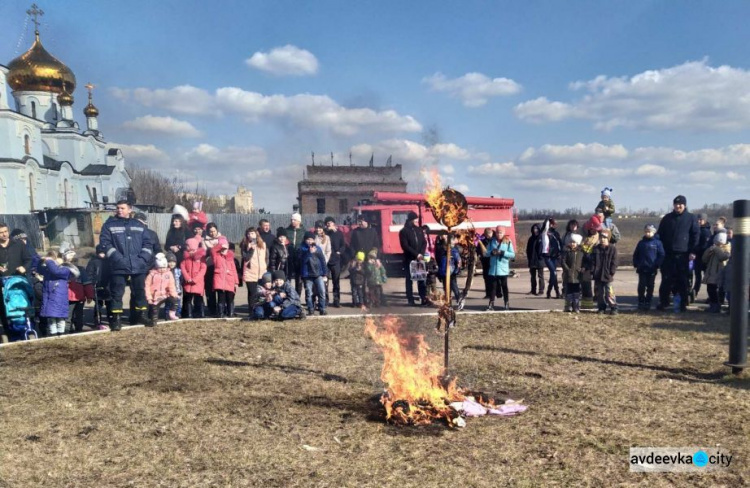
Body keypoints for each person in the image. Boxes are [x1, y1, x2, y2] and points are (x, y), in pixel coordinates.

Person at [99, 200, 155, 330]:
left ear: (130, 210)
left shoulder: (138, 225)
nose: (119, 210)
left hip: (138, 265)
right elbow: (105, 244)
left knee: (140, 292)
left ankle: (142, 315)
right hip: (118, 265)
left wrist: (143, 258)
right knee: (117, 293)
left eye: (122, 208)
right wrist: (117, 258)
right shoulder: (109, 225)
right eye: (118, 208)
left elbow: (148, 243)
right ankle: (116, 319)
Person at [656, 195, 700, 312]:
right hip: (668, 254)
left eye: (680, 204)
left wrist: (693, 251)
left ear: (684, 205)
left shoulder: (691, 218)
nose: (678, 206)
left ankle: (683, 303)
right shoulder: (667, 218)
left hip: (683, 254)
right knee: (666, 280)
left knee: (682, 280)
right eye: (676, 204)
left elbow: (695, 235)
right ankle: (664, 302)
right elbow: (660, 234)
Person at [0, 223, 32, 337]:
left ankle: (26, 329)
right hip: (2, 282)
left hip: (18, 281)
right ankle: (8, 331)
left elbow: (29, 259)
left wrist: (24, 268)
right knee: (3, 308)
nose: (4, 234)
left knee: (22, 305)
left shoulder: (18, 244)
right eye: (1, 232)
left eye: (5, 231)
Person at [39, 250, 78, 336]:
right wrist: (40, 261)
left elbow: (56, 271)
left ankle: (61, 334)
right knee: (51, 319)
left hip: (58, 297)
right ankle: (53, 335)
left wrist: (49, 261)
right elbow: (40, 270)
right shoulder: (49, 268)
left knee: (60, 318)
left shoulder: (65, 269)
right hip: (49, 297)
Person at [632, 224, 665, 311]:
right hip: (642, 268)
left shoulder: (657, 243)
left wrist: (657, 264)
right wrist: (636, 263)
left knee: (650, 285)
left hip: (652, 268)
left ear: (653, 232)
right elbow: (636, 254)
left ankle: (648, 300)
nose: (648, 233)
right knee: (641, 285)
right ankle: (641, 300)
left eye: (649, 232)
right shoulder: (641, 243)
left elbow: (661, 255)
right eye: (646, 232)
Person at [399, 211, 427, 306]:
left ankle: (423, 298)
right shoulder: (404, 231)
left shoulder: (419, 230)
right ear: (410, 220)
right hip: (409, 259)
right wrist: (416, 254)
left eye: (417, 220)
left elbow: (424, 242)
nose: (416, 221)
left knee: (421, 279)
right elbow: (405, 246)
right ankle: (410, 299)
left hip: (419, 259)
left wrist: (421, 254)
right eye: (415, 220)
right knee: (409, 280)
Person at [64, 246, 94, 333]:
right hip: (71, 297)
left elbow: (87, 283)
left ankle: (75, 330)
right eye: (72, 260)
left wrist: (89, 295)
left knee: (75, 315)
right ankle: (71, 330)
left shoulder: (80, 270)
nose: (74, 262)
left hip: (76, 297)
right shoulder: (65, 269)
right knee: (71, 316)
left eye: (75, 260)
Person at [485, 226, 515, 311]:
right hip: (494, 269)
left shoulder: (508, 241)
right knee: (493, 287)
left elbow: (512, 254)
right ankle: (491, 304)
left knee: (504, 286)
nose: (499, 234)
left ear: (503, 233)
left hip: (503, 268)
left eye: (501, 233)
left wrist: (502, 252)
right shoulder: (492, 241)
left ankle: (506, 303)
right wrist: (491, 252)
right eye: (498, 232)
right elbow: (486, 253)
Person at [240, 227, 268, 319]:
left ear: (256, 234)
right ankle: (251, 311)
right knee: (252, 293)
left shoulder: (263, 244)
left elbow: (266, 257)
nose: (250, 235)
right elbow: (246, 258)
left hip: (261, 272)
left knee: (261, 293)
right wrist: (251, 249)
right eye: (248, 234)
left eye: (252, 233)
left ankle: (261, 311)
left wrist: (265, 266)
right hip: (250, 272)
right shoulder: (244, 244)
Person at [145, 252, 179, 325]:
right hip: (155, 297)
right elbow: (147, 286)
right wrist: (149, 298)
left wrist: (174, 294)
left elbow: (171, 285)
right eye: (160, 267)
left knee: (175, 301)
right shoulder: (152, 274)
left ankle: (172, 313)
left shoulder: (168, 274)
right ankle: (153, 320)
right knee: (154, 311)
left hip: (165, 294)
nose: (162, 269)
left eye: (164, 267)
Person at [300, 231, 328, 316]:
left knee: (322, 291)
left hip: (318, 274)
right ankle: (310, 309)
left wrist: (324, 272)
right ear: (305, 240)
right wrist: (309, 253)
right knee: (309, 293)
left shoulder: (318, 249)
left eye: (311, 239)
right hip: (307, 275)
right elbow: (301, 261)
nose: (309, 241)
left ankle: (322, 308)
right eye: (308, 239)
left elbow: (322, 260)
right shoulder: (302, 249)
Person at [702, 233, 731, 313]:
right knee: (710, 290)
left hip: (718, 273)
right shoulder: (713, 248)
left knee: (715, 291)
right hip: (710, 272)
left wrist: (717, 249)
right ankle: (712, 305)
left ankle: (716, 306)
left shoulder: (726, 249)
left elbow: (723, 257)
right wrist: (709, 250)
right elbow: (704, 259)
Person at [86, 244, 112, 330]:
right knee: (98, 304)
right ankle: (97, 320)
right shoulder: (93, 261)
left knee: (109, 303)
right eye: (100, 253)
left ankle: (111, 319)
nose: (102, 255)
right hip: (97, 286)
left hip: (108, 285)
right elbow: (89, 274)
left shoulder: (109, 261)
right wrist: (92, 283)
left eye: (104, 253)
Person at [212, 237, 239, 318]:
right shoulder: (216, 256)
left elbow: (234, 270)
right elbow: (213, 250)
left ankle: (230, 313)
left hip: (230, 281)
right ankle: (220, 313)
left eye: (225, 248)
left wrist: (236, 282)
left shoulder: (230, 258)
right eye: (222, 248)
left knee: (230, 298)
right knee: (221, 298)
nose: (223, 250)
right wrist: (220, 245)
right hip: (219, 281)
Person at [593, 229, 618, 315]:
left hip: (607, 275)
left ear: (608, 238)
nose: (603, 239)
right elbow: (593, 261)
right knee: (599, 293)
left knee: (609, 292)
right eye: (601, 237)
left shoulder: (612, 249)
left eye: (605, 237)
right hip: (598, 274)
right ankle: (601, 307)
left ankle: (613, 307)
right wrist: (593, 270)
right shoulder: (596, 249)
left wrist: (611, 272)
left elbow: (614, 262)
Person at [180, 237, 206, 318]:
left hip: (198, 282)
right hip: (188, 282)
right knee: (188, 299)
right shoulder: (185, 257)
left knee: (199, 298)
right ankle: (189, 313)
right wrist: (187, 278)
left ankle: (200, 313)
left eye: (187, 245)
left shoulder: (201, 257)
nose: (186, 247)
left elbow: (203, 269)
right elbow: (182, 267)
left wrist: (195, 279)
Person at [436, 234, 462, 310]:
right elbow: (438, 256)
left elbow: (458, 261)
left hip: (451, 272)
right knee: (446, 288)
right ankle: (448, 302)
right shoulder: (441, 248)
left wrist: (456, 270)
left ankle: (459, 301)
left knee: (454, 287)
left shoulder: (454, 250)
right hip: (444, 272)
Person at [324, 217, 346, 308]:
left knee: (336, 281)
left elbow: (343, 245)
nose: (329, 225)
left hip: (335, 260)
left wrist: (340, 251)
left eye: (330, 223)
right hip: (326, 261)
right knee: (325, 282)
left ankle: (336, 300)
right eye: (327, 223)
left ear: (334, 224)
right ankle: (325, 300)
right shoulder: (324, 234)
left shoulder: (339, 234)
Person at [203, 223, 222, 316]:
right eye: (210, 231)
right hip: (209, 266)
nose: (212, 233)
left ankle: (221, 309)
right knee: (210, 289)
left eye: (214, 231)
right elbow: (203, 253)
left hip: (219, 266)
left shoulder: (222, 239)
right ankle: (212, 309)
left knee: (220, 288)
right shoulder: (204, 240)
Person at [561, 234, 584, 313]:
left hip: (577, 276)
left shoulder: (581, 253)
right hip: (569, 276)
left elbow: (584, 262)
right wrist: (567, 269)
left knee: (576, 292)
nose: (572, 244)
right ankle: (568, 306)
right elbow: (563, 261)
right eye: (571, 242)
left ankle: (576, 306)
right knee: (569, 292)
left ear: (577, 243)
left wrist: (582, 269)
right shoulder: (567, 252)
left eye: (574, 242)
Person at [540, 218, 562, 299]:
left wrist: (560, 253)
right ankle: (550, 291)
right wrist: (548, 220)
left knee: (554, 274)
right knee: (554, 273)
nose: (554, 225)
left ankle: (556, 292)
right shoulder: (545, 233)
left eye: (555, 224)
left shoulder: (556, 233)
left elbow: (560, 243)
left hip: (554, 256)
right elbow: (545, 227)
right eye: (553, 224)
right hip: (547, 256)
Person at [693, 213, 713, 300]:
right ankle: (695, 292)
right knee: (697, 277)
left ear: (705, 220)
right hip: (697, 257)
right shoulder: (696, 229)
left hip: (704, 258)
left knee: (707, 277)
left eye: (701, 220)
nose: (699, 221)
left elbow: (705, 246)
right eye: (698, 220)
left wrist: (695, 249)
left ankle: (711, 296)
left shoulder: (706, 231)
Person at [285, 213, 306, 295]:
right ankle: (288, 295)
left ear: (299, 221)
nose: (292, 221)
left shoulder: (304, 232)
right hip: (289, 257)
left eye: (294, 220)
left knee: (299, 278)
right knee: (288, 277)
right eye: (291, 220)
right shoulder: (287, 231)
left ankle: (297, 296)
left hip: (299, 257)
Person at [525, 224, 544, 296]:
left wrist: (541, 257)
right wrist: (529, 258)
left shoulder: (541, 238)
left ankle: (541, 290)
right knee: (533, 276)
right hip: (532, 260)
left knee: (540, 276)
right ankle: (533, 290)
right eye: (534, 228)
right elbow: (528, 249)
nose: (535, 230)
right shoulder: (531, 239)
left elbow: (543, 248)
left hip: (539, 260)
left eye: (536, 228)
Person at [477, 228, 494, 299]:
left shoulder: (494, 240)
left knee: (494, 278)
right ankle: (488, 294)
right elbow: (478, 250)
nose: (489, 236)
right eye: (487, 234)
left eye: (490, 234)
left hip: (493, 261)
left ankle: (496, 292)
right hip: (485, 262)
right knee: (487, 278)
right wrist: (480, 255)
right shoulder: (482, 241)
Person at [166, 252, 182, 317]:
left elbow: (181, 279)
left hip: (177, 290)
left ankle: (177, 314)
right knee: (169, 303)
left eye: (173, 262)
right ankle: (167, 314)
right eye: (169, 262)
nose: (172, 263)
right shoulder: (166, 271)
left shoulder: (178, 271)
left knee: (177, 303)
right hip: (168, 291)